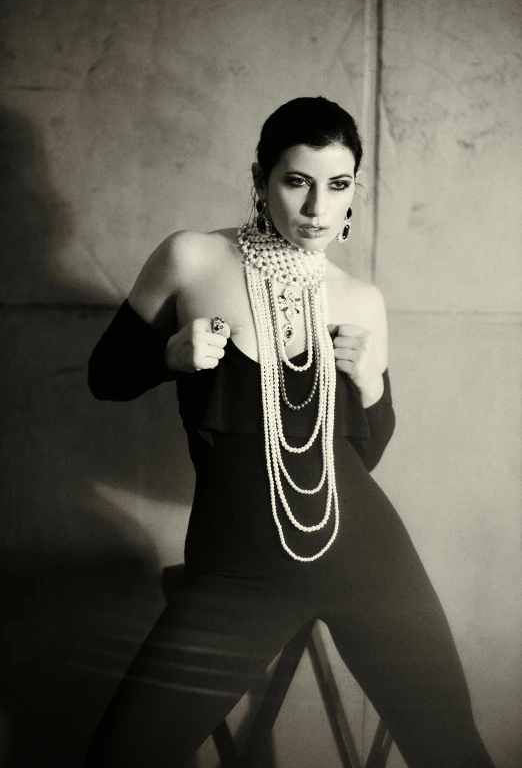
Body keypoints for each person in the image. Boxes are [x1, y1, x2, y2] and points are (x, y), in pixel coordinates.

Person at [85, 97, 496, 768]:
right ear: (261, 179)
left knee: (452, 750)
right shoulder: (192, 257)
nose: (316, 208)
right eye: (296, 181)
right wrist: (168, 357)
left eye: (337, 186)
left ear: (353, 193)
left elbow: (365, 452)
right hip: (238, 572)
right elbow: (105, 374)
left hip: (368, 558)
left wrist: (371, 387)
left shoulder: (363, 300)